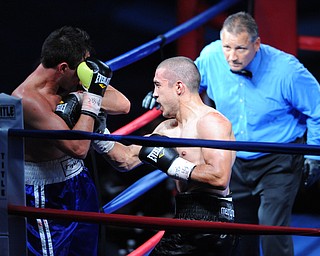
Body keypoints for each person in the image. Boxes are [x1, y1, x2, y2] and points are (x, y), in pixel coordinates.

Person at [142, 11, 320, 256]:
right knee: (238, 228)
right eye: (227, 46)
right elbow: (188, 83)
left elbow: (318, 107)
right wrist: (162, 95)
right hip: (235, 158)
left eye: (240, 48)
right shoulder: (212, 56)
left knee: (271, 228)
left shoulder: (287, 71)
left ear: (256, 44)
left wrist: (314, 154)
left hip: (278, 158)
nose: (232, 56)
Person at [93, 56, 238, 255]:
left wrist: (172, 164)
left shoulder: (211, 122)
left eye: (158, 85)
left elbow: (219, 177)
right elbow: (125, 159)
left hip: (211, 219)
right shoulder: (167, 129)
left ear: (178, 87)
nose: (154, 94)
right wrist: (99, 131)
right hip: (185, 215)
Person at [11, 26, 130, 256]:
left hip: (79, 181)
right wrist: (93, 97)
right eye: (80, 69)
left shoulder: (70, 81)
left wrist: (80, 95)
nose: (83, 75)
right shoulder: (28, 99)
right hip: (45, 192)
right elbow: (79, 147)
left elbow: (123, 105)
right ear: (63, 67)